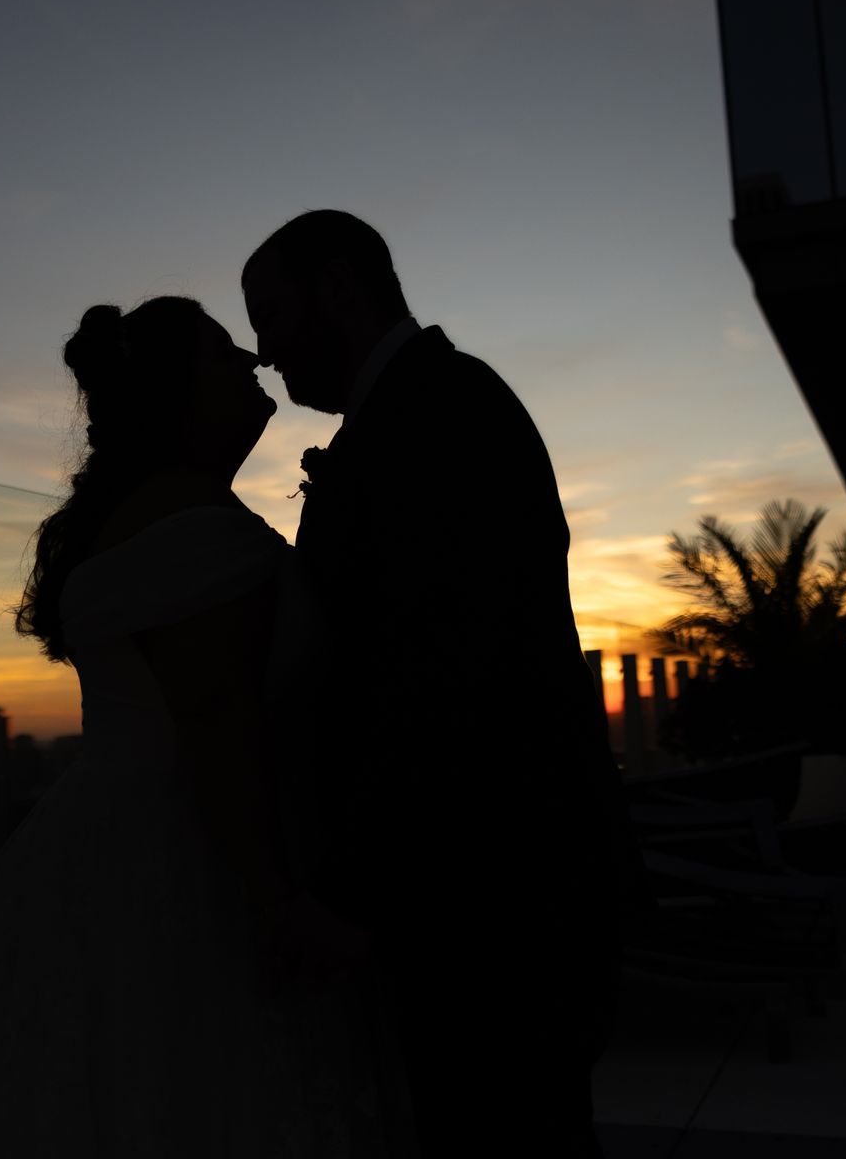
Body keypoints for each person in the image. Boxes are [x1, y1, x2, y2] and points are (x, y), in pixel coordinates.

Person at [0, 296, 411, 1157]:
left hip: (123, 848)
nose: (249, 359)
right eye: (219, 351)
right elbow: (218, 731)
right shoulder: (197, 535)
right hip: (200, 858)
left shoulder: (147, 524)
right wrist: (279, 906)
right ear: (177, 395)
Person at [243, 211, 632, 1156]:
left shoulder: (442, 412)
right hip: (474, 888)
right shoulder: (427, 409)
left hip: (490, 899)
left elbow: (438, 673)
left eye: (272, 318)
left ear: (337, 288)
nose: (265, 354)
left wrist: (349, 891)